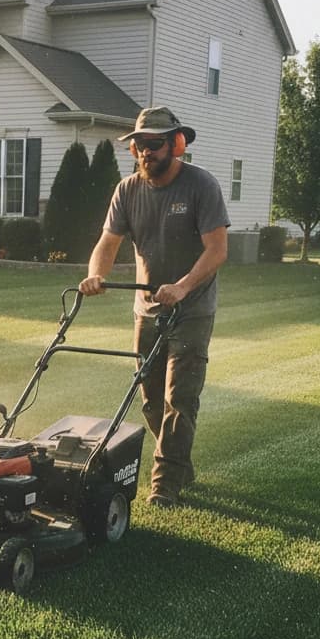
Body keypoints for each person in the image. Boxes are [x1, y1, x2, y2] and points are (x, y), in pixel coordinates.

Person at [79, 106, 230, 508]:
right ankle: (180, 464)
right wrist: (96, 274)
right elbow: (107, 244)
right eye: (139, 145)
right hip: (147, 310)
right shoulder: (127, 190)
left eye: (155, 144)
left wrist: (182, 287)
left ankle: (164, 485)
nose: (146, 152)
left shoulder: (201, 186)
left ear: (176, 144)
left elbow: (217, 250)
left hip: (193, 309)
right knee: (150, 400)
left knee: (179, 399)